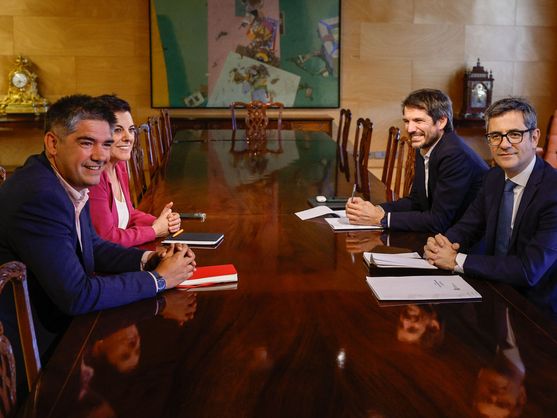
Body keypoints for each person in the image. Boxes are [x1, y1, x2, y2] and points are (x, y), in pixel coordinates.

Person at [0, 95, 196, 352]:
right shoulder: (40, 196)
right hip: (36, 350)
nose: (99, 155)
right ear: (52, 143)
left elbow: (91, 244)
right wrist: (158, 279)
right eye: (86, 142)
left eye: (106, 144)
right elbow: (77, 296)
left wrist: (148, 259)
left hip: (60, 326)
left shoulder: (64, 179)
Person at [424, 97, 557, 310]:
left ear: (534, 137)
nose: (504, 144)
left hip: (536, 312)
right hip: (494, 295)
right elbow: (468, 227)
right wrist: (442, 245)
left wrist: (456, 260)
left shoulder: (553, 192)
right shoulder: (493, 178)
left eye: (514, 134)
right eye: (495, 136)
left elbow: (528, 270)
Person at [346, 89, 489, 233]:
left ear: (441, 121)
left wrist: (381, 218)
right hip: (439, 237)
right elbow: (416, 201)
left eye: (418, 121)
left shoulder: (455, 155)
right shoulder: (425, 146)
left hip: (465, 247)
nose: (410, 128)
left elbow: (439, 221)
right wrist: (374, 210)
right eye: (407, 121)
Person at [88, 95, 180, 247]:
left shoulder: (119, 166)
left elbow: (129, 214)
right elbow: (107, 238)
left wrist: (162, 221)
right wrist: (154, 230)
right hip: (105, 266)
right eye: (118, 130)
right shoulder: (93, 177)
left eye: (131, 130)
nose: (129, 137)